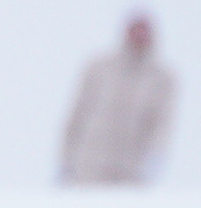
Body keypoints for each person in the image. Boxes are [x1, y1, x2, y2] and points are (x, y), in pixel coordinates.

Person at [58, 13, 175, 185]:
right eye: (135, 31)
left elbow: (162, 125)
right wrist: (66, 159)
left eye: (143, 32)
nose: (139, 37)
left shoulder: (162, 78)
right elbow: (77, 114)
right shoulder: (99, 67)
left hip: (130, 172)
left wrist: (153, 162)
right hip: (90, 167)